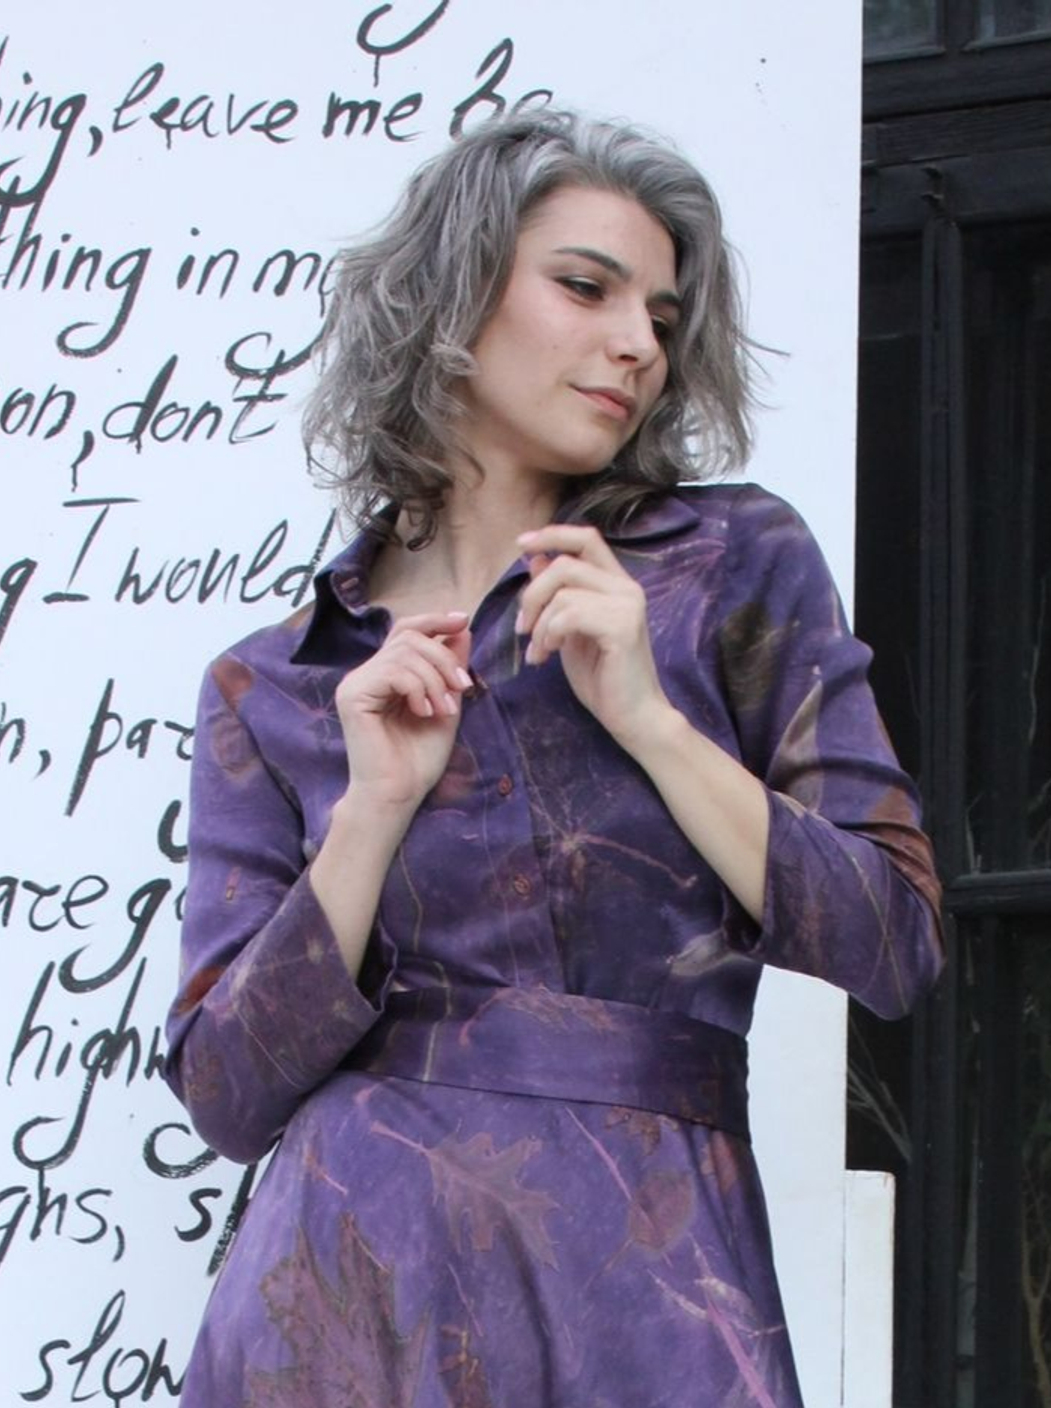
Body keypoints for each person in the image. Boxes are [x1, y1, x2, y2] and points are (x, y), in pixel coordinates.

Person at [163, 107, 943, 1408]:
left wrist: (648, 717)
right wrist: (372, 813)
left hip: (648, 1291)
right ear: (451, 301)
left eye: (662, 316)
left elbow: (894, 943)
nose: (638, 343)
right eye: (587, 287)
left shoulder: (733, 567)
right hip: (349, 1300)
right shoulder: (279, 682)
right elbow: (228, 1096)